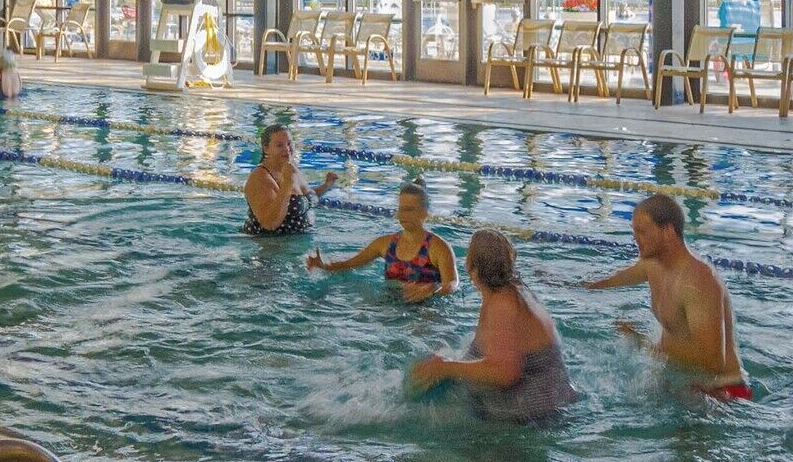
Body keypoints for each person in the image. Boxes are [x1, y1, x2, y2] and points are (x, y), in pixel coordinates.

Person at [587, 191, 749, 400]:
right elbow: (609, 280)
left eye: (642, 232)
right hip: (683, 383)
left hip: (720, 395)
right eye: (634, 231)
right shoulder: (654, 265)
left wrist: (644, 345)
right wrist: (565, 283)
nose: (635, 239)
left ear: (668, 232)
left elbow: (713, 362)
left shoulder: (699, 281)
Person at [407, 227, 572, 421]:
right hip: (549, 403)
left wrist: (446, 367)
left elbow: (505, 373)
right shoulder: (511, 290)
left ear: (471, 267)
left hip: (536, 419)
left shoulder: (503, 304)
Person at [309, 183, 456, 299]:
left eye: (409, 210)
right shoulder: (385, 243)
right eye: (401, 209)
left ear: (424, 214)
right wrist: (324, 265)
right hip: (390, 302)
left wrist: (433, 289)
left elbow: (452, 284)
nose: (402, 215)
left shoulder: (438, 247)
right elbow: (351, 263)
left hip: (427, 307)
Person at [242, 121, 334, 237]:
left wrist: (326, 185)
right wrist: (287, 184)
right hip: (269, 247)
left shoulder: (290, 167)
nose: (287, 149)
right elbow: (270, 223)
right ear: (266, 148)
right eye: (279, 145)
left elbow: (304, 197)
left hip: (296, 244)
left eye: (289, 143)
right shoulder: (260, 177)